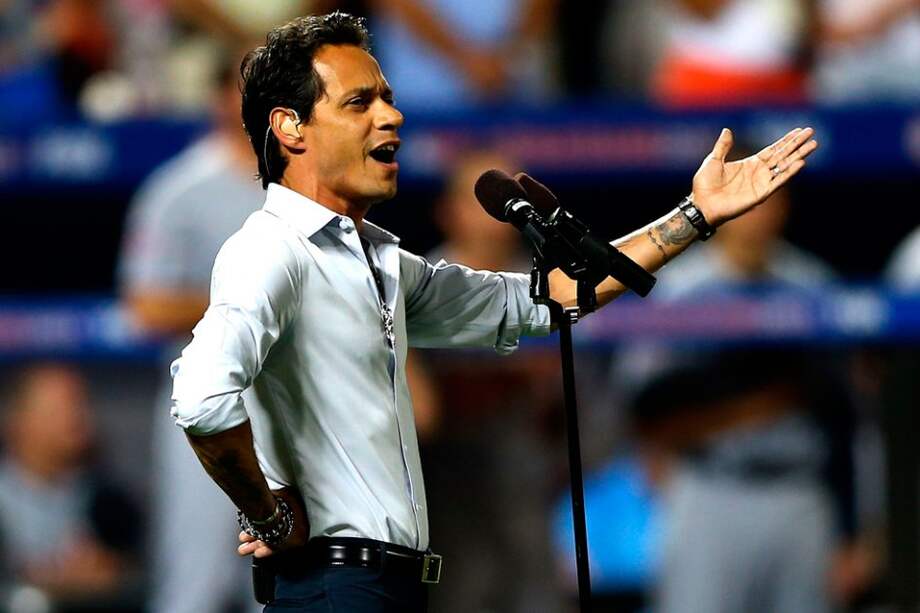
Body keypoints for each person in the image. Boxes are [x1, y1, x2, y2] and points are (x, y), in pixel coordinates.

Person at [168, 11, 818, 612]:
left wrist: (695, 216)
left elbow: (552, 296)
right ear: (290, 128)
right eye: (359, 103)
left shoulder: (374, 260)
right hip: (337, 582)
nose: (390, 117)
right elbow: (201, 397)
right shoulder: (270, 250)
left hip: (384, 581)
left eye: (389, 97)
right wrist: (271, 515)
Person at [117, 53, 265, 613]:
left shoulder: (307, 186)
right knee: (194, 586)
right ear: (218, 100)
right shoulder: (178, 188)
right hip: (204, 408)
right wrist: (246, 303)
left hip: (289, 406)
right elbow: (145, 305)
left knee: (282, 586)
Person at [0, 363, 142, 612]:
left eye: (80, 404)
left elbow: (144, 575)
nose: (76, 418)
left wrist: (113, 571)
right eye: (57, 409)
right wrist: (34, 577)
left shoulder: (113, 505)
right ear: (16, 421)